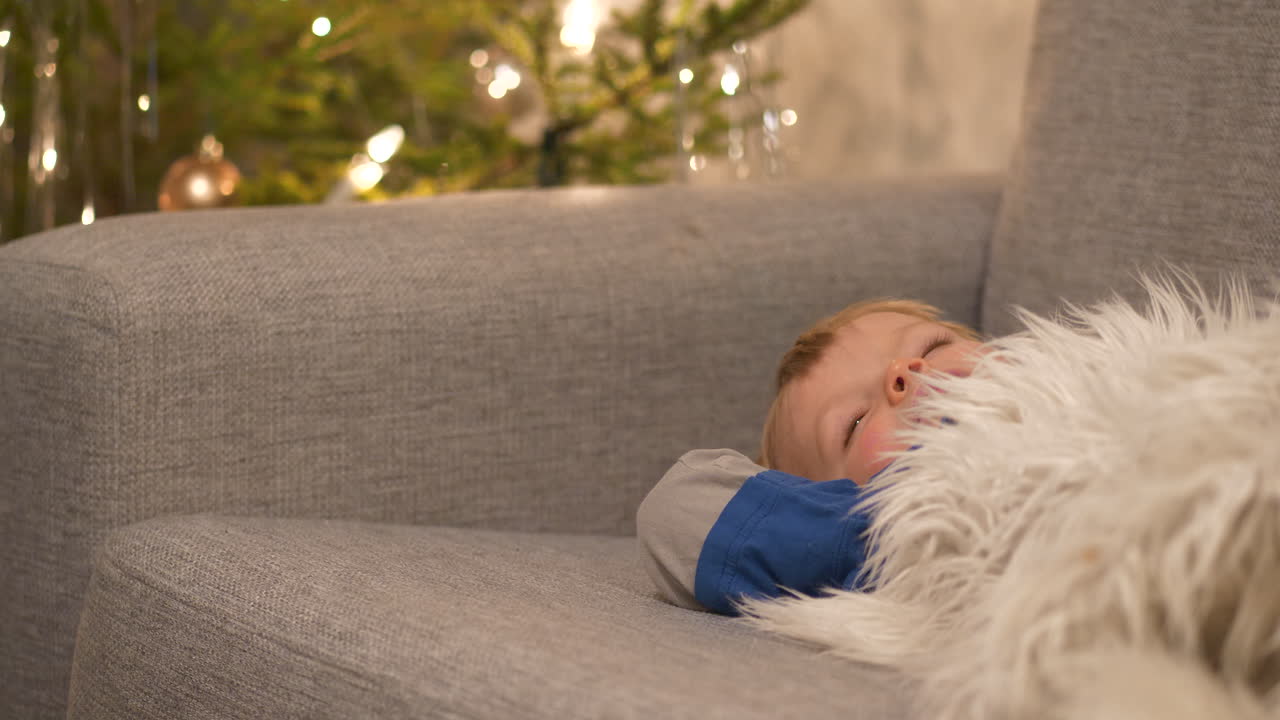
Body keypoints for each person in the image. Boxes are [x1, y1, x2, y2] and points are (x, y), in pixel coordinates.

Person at [636, 299, 984, 614]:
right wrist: (888, 537)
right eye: (855, 422)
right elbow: (675, 513)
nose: (903, 371)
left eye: (933, 346)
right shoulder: (887, 541)